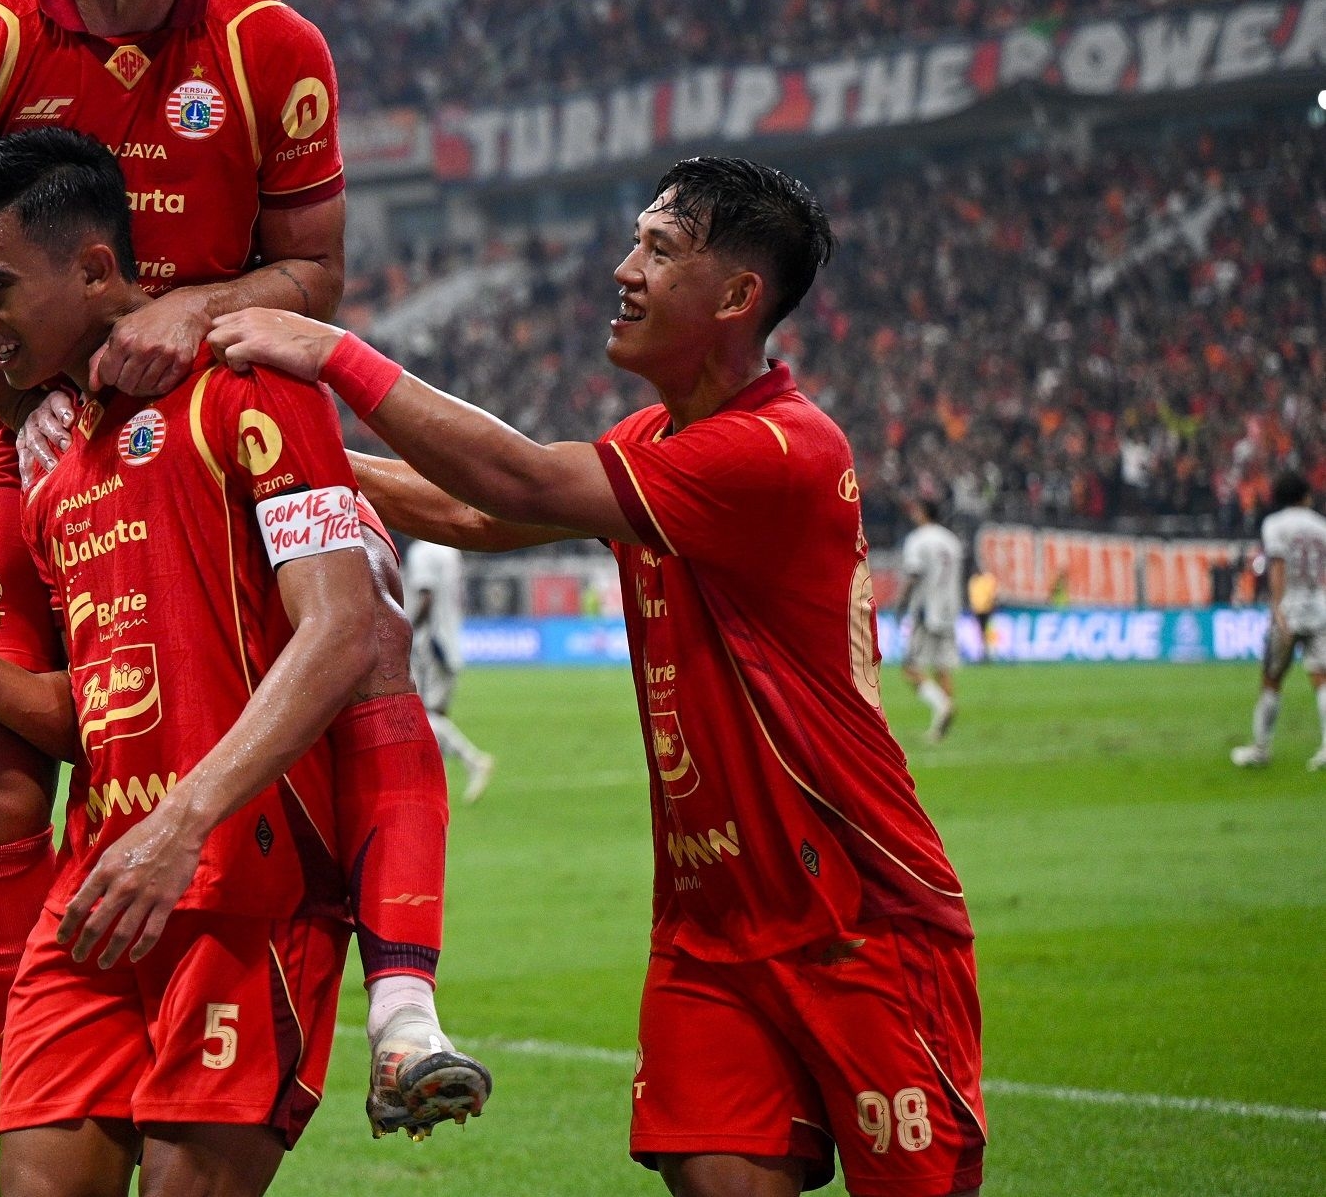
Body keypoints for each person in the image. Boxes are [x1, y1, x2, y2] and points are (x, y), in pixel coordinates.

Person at [0, 0, 477, 1131]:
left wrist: (195, 308)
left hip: (233, 422)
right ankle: (45, 1069)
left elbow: (314, 276)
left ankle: (404, 1008)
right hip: (47, 448)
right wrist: (19, 397)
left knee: (365, 641)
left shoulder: (271, 47)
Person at [208, 156, 986, 1197]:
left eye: (659, 250)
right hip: (710, 932)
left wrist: (331, 353)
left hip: (858, 918)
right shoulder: (657, 439)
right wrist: (276, 457)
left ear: (736, 295)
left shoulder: (777, 448)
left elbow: (518, 479)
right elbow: (476, 511)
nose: (624, 269)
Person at [0, 129, 393, 1197]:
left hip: (244, 887)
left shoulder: (254, 385)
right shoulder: (54, 467)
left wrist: (181, 824)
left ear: (96, 268)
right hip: (101, 886)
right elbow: (107, 718)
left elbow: (343, 628)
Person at [1232, 469, 1326, 771]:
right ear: (1304, 495)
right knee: (1322, 678)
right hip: (1319, 607)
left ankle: (1260, 748)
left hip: (1289, 608)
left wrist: (1277, 608)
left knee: (1272, 679)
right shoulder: (1321, 525)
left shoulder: (1274, 524)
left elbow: (1278, 566)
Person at [403, 536, 494, 802]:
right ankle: (433, 784)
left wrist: (406, 631)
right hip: (451, 638)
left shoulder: (421, 552)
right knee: (437, 713)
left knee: (424, 715)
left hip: (432, 644)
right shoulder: (449, 550)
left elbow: (426, 597)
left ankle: (473, 761)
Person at [897, 499, 964, 741]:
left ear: (923, 513)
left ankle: (943, 706)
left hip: (927, 609)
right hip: (950, 609)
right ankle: (939, 729)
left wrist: (902, 603)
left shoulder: (917, 539)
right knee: (942, 667)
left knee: (910, 669)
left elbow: (914, 573)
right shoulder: (951, 540)